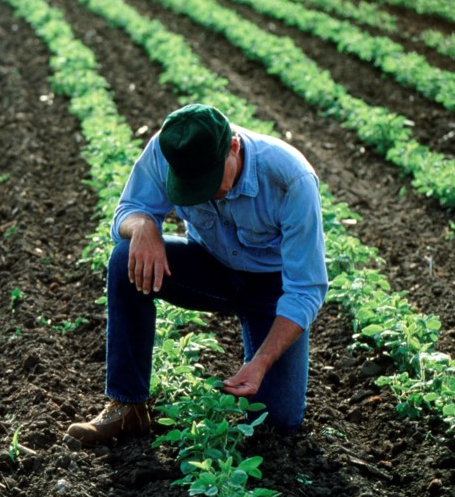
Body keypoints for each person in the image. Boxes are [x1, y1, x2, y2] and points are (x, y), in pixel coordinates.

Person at [66, 103, 327, 445]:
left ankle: (266, 384)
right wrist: (143, 225)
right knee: (123, 259)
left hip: (271, 288)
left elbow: (306, 289)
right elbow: (128, 210)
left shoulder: (290, 179)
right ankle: (127, 406)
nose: (204, 194)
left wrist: (261, 362)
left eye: (210, 183)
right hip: (208, 267)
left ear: (233, 147)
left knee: (276, 424)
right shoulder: (169, 149)